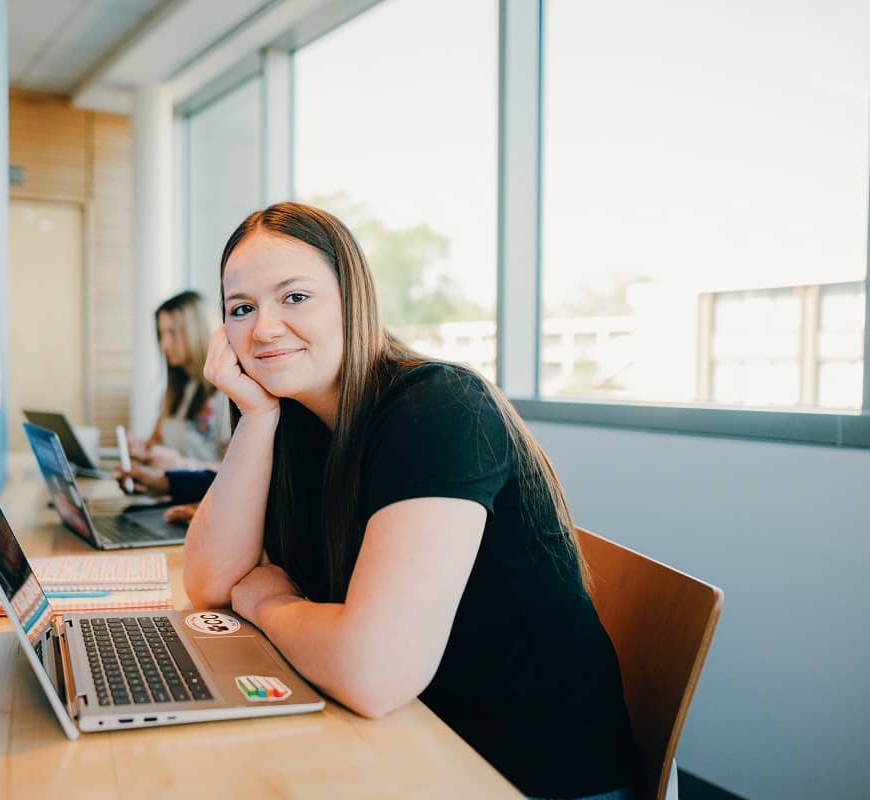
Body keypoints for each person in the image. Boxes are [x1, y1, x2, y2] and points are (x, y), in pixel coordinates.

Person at [184, 202, 643, 800]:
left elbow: (374, 671)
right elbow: (213, 584)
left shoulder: (438, 407)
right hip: (415, 734)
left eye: (294, 297)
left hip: (523, 771)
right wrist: (255, 417)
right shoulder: (290, 419)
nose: (264, 329)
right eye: (241, 309)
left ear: (353, 299)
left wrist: (273, 604)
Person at [119, 290, 229, 517]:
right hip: (175, 504)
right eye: (161, 334)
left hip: (208, 510)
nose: (164, 343)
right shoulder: (180, 391)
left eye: (172, 333)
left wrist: (183, 465)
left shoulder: (226, 394)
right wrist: (142, 456)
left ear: (196, 331)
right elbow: (153, 444)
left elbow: (240, 472)